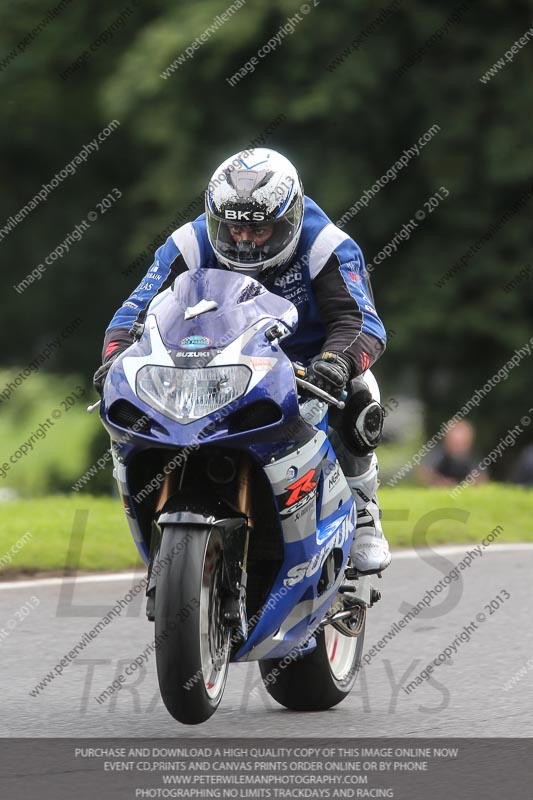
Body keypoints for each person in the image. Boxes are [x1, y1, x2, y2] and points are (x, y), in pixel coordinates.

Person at [94, 148, 391, 574]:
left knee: (361, 396)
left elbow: (360, 322)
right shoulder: (189, 242)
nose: (245, 239)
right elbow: (131, 314)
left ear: (289, 218)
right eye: (233, 228)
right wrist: (115, 358)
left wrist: (338, 363)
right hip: (209, 365)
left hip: (303, 367)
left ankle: (364, 515)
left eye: (259, 229)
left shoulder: (327, 245)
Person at [417, 419, 487, 486]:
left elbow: (481, 478)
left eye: (462, 441)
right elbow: (423, 472)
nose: (458, 445)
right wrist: (439, 482)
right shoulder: (438, 454)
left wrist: (467, 484)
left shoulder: (473, 457)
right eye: (455, 441)